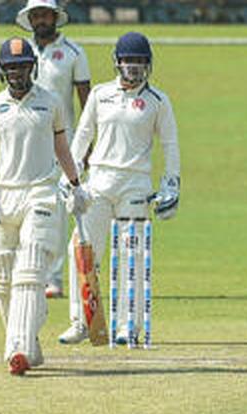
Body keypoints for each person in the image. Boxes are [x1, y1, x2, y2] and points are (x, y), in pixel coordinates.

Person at [0, 38, 87, 376]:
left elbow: (62, 147)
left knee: (31, 266)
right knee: (4, 278)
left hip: (42, 192)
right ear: (1, 70)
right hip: (6, 196)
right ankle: (29, 345)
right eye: (11, 68)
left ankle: (17, 348)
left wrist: (76, 185)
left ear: (32, 68)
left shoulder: (50, 102)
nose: (17, 74)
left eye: (22, 67)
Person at [58, 32, 180, 346]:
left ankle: (129, 325)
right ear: (117, 62)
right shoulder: (100, 95)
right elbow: (83, 136)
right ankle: (82, 321)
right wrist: (69, 176)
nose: (134, 68)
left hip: (135, 184)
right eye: (129, 61)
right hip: (98, 181)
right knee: (83, 251)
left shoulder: (158, 101)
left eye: (140, 62)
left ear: (148, 65)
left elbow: (170, 145)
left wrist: (171, 184)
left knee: (132, 256)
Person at [14, 0, 92, 300]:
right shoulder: (20, 51)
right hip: (26, 142)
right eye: (36, 15)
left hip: (64, 143)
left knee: (58, 211)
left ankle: (55, 278)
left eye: (46, 14)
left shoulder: (73, 53)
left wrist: (87, 147)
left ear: (55, 17)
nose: (41, 20)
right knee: (25, 204)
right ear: (30, 19)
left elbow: (87, 104)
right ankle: (28, 272)